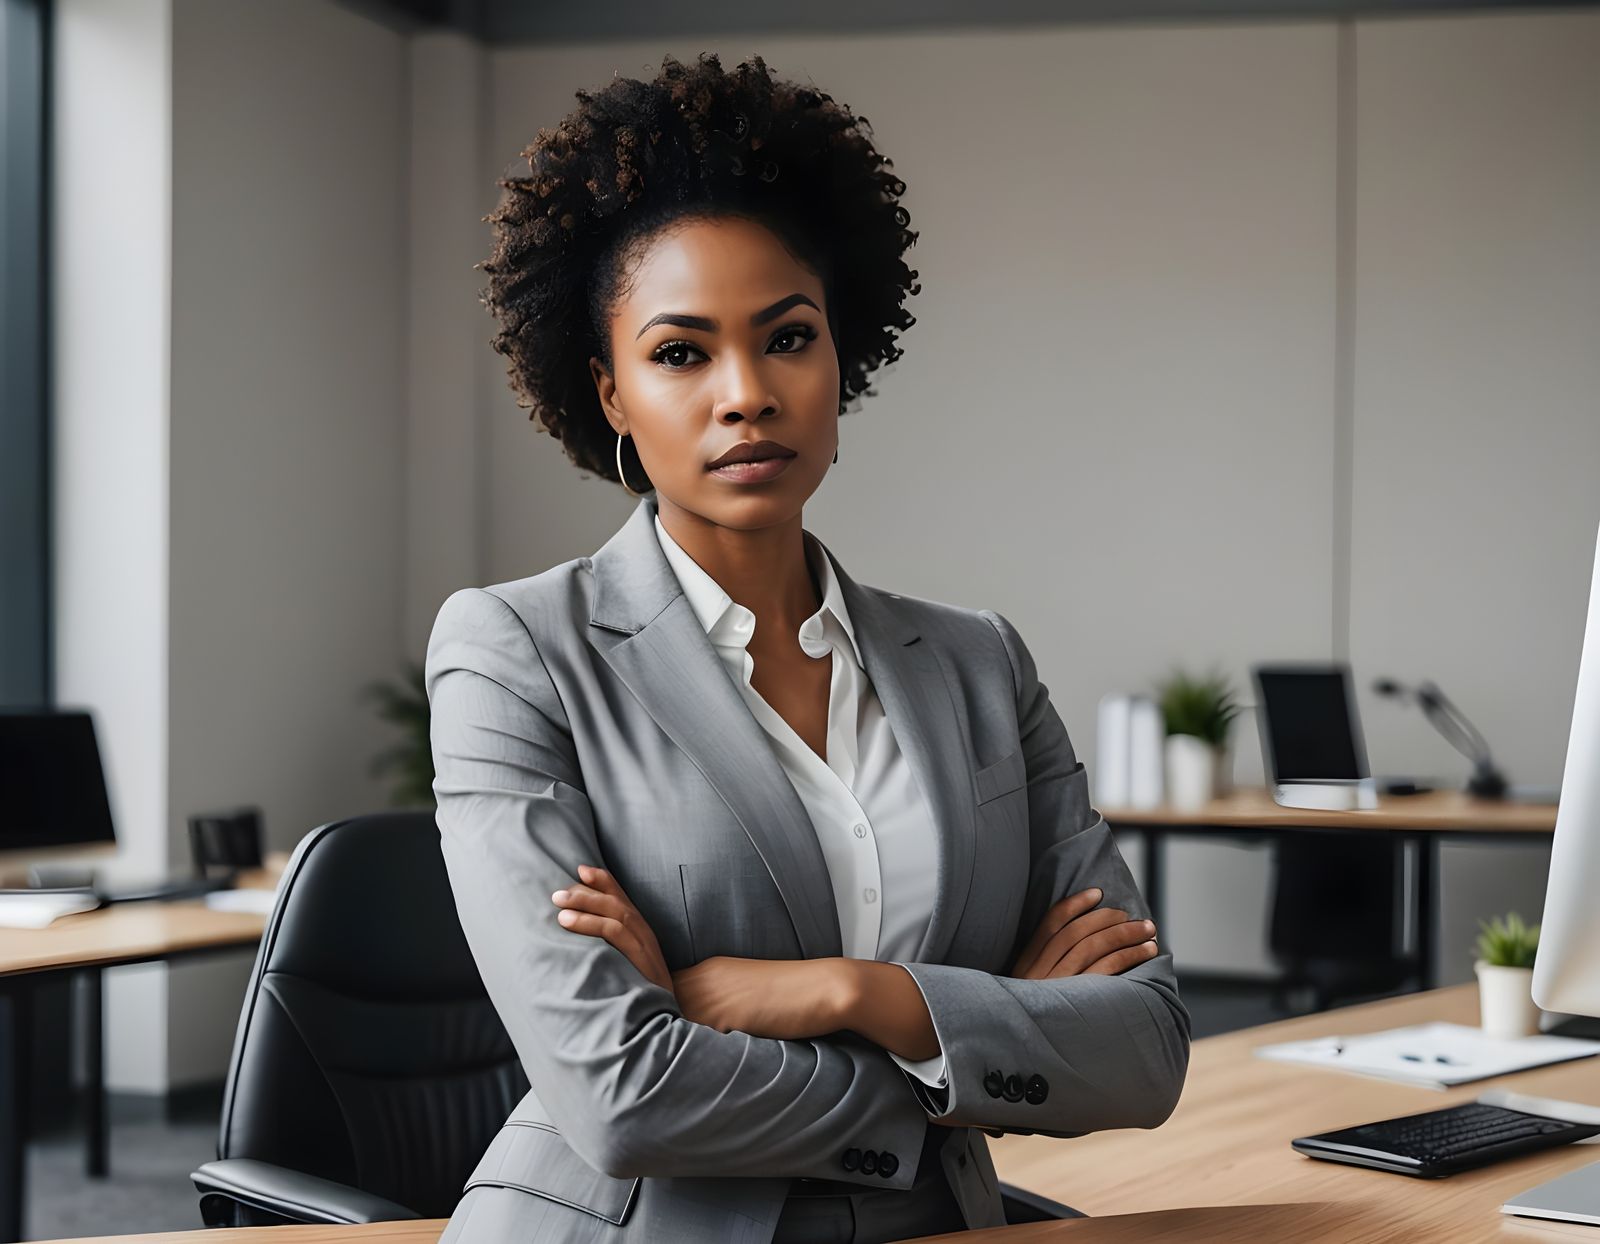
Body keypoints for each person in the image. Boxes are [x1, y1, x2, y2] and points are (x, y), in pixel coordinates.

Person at [426, 51, 1190, 1244]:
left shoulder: (979, 661)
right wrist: (967, 1049)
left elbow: (1145, 1047)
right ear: (611, 391)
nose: (746, 393)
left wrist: (847, 993)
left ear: (842, 356)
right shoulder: (513, 651)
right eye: (680, 352)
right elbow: (621, 1093)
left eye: (787, 337)